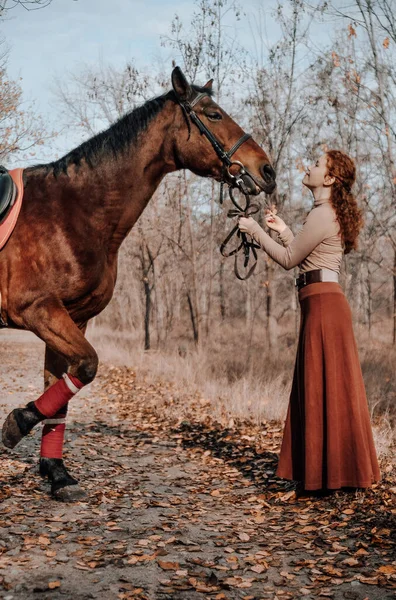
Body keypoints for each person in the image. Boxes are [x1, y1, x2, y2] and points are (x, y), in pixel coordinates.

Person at [238, 150, 381, 493]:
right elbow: (306, 258)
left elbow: (289, 260)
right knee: (322, 386)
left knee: (324, 387)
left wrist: (255, 230)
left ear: (329, 179)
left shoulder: (322, 214)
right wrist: (283, 229)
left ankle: (331, 475)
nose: (310, 167)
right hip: (320, 304)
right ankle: (330, 472)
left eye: (317, 165)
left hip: (324, 307)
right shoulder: (321, 213)